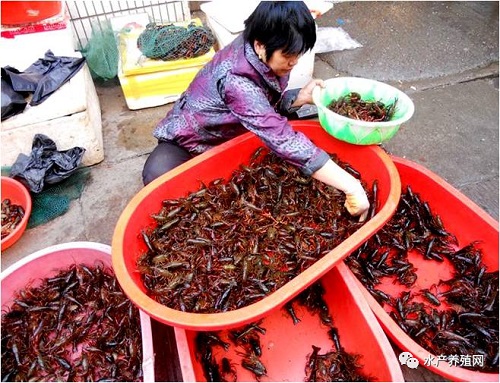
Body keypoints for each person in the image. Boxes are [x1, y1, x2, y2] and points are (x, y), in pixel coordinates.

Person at [142, 1, 370, 221]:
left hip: (239, 131)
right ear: (261, 45)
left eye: (298, 56)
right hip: (192, 141)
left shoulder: (262, 48)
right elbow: (279, 135)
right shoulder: (236, 79)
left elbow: (264, 105)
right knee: (160, 177)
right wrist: (351, 185)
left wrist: (298, 98)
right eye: (289, 57)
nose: (294, 63)